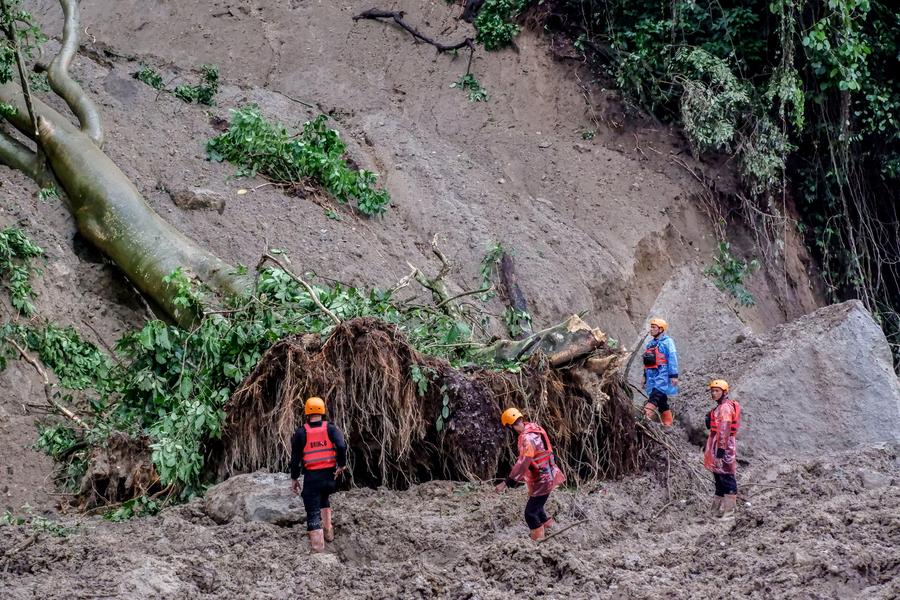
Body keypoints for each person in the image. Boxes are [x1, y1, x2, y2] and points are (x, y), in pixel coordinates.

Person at [494, 407, 566, 541]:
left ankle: (537, 543)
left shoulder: (527, 439)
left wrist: (506, 483)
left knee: (530, 513)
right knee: (538, 508)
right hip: (548, 474)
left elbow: (523, 463)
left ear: (510, 426)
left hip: (542, 479)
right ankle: (553, 533)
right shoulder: (534, 428)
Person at [289, 396, 348, 552]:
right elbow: (341, 446)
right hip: (329, 478)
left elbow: (295, 460)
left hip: (312, 478)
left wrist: (294, 478)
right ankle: (329, 533)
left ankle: (318, 549)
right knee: (324, 498)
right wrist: (341, 465)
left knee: (312, 510)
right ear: (323, 411)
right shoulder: (331, 428)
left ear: (307, 413)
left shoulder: (301, 433)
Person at [703, 379, 741, 520]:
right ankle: (716, 510)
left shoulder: (725, 408)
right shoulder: (719, 407)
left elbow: (724, 430)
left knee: (726, 477)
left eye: (716, 391)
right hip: (717, 444)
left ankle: (729, 512)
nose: (713, 393)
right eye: (712, 391)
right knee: (718, 477)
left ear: (724, 392)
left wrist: (720, 452)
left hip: (724, 447)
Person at [642, 317, 679, 427]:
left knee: (655, 396)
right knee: (662, 401)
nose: (651, 329)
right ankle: (668, 424)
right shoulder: (650, 344)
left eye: (654, 327)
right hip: (651, 375)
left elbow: (672, 358)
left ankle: (645, 416)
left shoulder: (668, 342)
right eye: (651, 327)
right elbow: (646, 362)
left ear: (661, 329)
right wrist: (644, 376)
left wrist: (674, 375)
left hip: (662, 375)